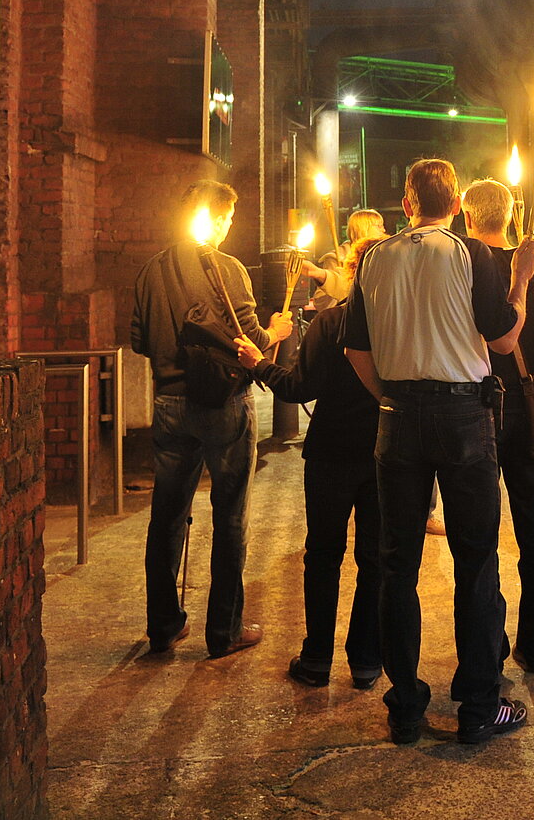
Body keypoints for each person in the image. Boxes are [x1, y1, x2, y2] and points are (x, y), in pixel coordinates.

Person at [344, 159, 534, 746]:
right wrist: (521, 279)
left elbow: (356, 349)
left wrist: (393, 397)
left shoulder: (373, 257)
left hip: (397, 416)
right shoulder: (469, 254)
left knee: (396, 563)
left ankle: (405, 706)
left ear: (406, 204)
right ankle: (479, 704)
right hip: (462, 416)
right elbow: (504, 338)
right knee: (475, 560)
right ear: (456, 206)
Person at [131, 180, 279, 659]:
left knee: (167, 517)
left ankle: (163, 625)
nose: (227, 228)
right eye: (228, 219)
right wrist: (276, 332)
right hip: (223, 406)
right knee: (230, 515)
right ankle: (224, 631)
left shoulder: (151, 269)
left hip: (169, 405)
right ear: (214, 216)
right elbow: (251, 340)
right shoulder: (227, 269)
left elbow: (138, 339)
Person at [234, 238, 382, 690]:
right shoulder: (401, 325)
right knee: (375, 559)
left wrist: (259, 364)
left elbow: (298, 388)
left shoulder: (331, 322)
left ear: (352, 270)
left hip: (332, 453)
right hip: (383, 455)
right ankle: (366, 659)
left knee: (322, 555)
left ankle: (317, 657)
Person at [461, 180, 534, 675]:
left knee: (479, 535)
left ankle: (490, 645)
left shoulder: (463, 265)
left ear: (468, 217)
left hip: (477, 410)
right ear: (510, 214)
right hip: (527, 413)